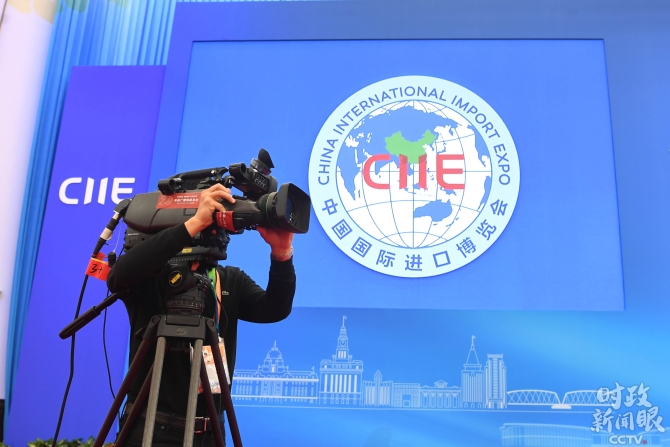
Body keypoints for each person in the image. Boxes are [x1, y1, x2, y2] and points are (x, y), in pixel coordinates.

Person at [107, 184, 296, 446]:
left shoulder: (229, 279)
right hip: (150, 430)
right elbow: (118, 277)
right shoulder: (152, 275)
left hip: (210, 432)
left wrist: (282, 252)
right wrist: (194, 222)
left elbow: (275, 309)